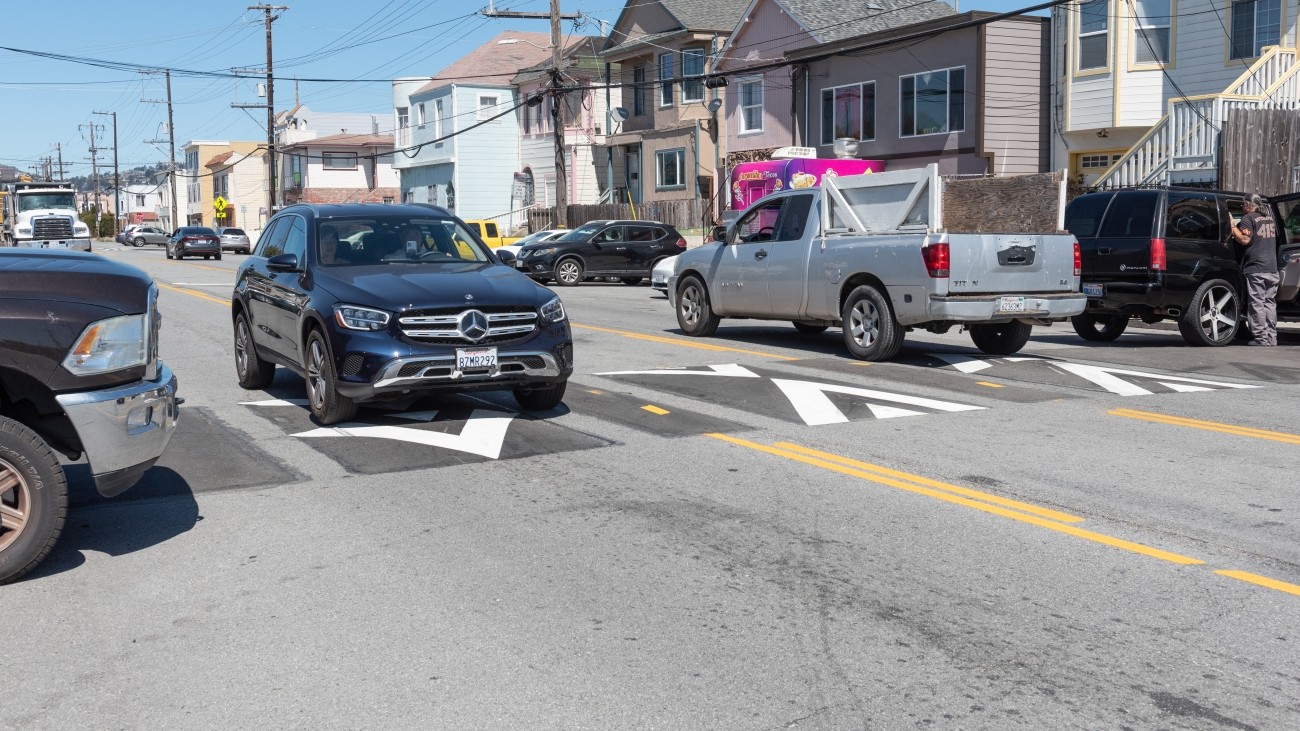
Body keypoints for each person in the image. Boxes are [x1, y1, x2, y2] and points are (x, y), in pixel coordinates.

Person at [1230, 193, 1279, 346]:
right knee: (1269, 303)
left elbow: (1244, 239)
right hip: (1272, 267)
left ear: (1248, 205)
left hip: (1256, 268)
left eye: (1243, 205)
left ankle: (1261, 339)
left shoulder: (1248, 219)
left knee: (1256, 303)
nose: (1242, 207)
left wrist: (1232, 226)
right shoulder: (1269, 219)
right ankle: (1271, 338)